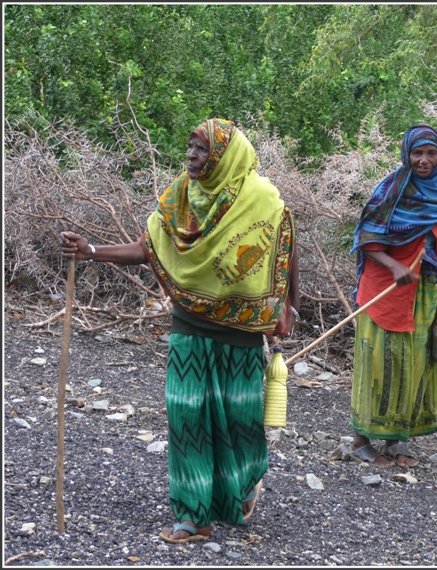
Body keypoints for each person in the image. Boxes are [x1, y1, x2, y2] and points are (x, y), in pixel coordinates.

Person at [60, 118, 300, 542]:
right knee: (187, 418)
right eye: (189, 147)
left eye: (201, 149)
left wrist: (290, 307)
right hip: (189, 327)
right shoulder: (180, 197)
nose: (191, 156)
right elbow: (147, 248)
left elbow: (284, 248)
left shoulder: (262, 198)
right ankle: (193, 516)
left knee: (239, 425)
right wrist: (91, 250)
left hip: (242, 334)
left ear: (225, 155)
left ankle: (239, 491)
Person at [342, 125, 437, 467]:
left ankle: (399, 442)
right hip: (385, 291)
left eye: (430, 154)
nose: (423, 161)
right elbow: (366, 238)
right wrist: (393, 266)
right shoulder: (391, 191)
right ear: (406, 155)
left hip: (425, 293)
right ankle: (360, 438)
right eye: (417, 154)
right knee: (379, 363)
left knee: (414, 366)